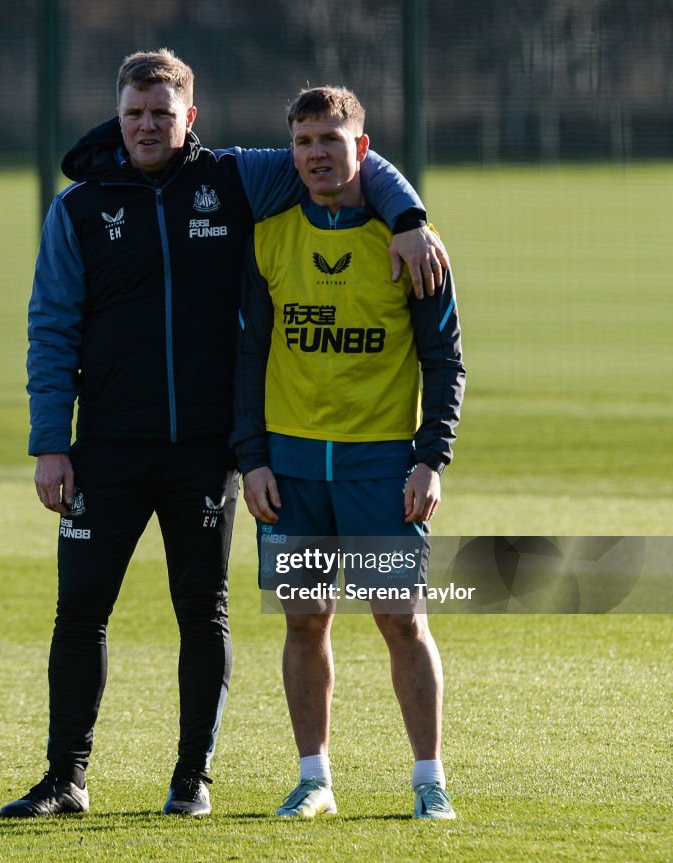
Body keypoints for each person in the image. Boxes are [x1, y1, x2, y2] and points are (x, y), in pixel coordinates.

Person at [3, 48, 450, 819]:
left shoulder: (235, 179)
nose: (147, 127)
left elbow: (345, 160)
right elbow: (51, 327)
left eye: (162, 115)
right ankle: (65, 778)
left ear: (190, 119)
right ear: (118, 115)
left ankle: (192, 779)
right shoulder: (77, 207)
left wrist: (408, 219)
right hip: (105, 446)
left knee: (202, 611)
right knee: (80, 609)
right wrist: (52, 440)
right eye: (135, 114)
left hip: (206, 450)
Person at [231, 86, 465, 820]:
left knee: (401, 617)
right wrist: (252, 457)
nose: (317, 154)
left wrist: (431, 457)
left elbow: (445, 361)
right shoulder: (268, 237)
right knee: (305, 617)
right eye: (303, 142)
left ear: (362, 148)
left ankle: (429, 781)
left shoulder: (408, 245)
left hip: (381, 467)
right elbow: (246, 357)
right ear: (290, 150)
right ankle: (313, 779)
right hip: (292, 469)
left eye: (331, 139)